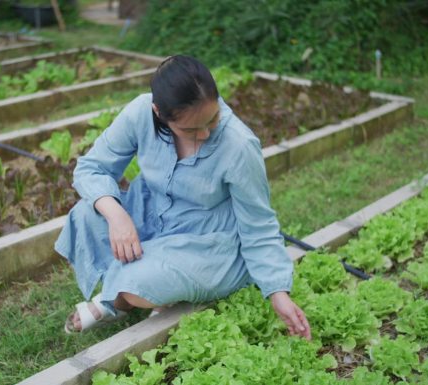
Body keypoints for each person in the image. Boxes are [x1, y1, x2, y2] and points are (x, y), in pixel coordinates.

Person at [55, 55, 311, 340]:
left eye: (212, 119)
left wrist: (278, 292)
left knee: (138, 282)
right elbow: (91, 168)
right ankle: (155, 289)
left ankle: (116, 301)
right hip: (154, 217)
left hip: (207, 243)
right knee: (85, 215)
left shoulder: (239, 145)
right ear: (158, 112)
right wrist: (117, 216)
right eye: (190, 129)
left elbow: (259, 225)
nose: (204, 133)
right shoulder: (140, 113)